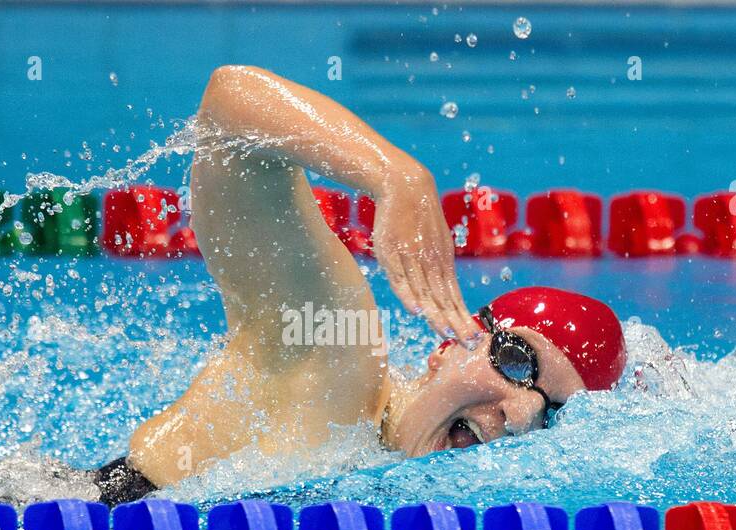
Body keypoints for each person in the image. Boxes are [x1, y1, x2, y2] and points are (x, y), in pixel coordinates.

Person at [96, 65, 626, 504]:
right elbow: (231, 102)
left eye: (554, 413)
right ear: (452, 343)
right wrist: (395, 176)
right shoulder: (335, 360)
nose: (521, 414)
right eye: (518, 361)